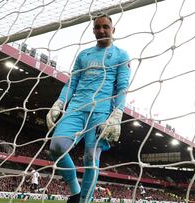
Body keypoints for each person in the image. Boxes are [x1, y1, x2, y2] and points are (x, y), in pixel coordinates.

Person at [46, 14, 130, 203]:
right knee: (56, 146)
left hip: (101, 111)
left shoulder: (121, 55)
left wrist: (117, 114)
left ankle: (84, 200)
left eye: (105, 27)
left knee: (91, 157)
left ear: (113, 30)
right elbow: (72, 83)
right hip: (76, 107)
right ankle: (75, 190)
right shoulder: (84, 55)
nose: (101, 30)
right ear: (93, 30)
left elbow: (122, 88)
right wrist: (59, 103)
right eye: (97, 27)